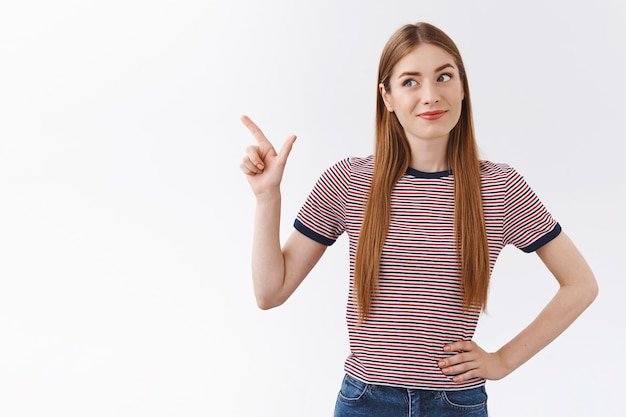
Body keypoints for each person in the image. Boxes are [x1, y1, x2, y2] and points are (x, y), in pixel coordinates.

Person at [239, 22, 598, 417]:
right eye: (410, 82)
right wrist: (267, 197)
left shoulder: (499, 187)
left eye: (444, 76)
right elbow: (270, 293)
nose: (431, 95)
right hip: (366, 402)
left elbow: (580, 284)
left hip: (456, 404)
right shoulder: (350, 181)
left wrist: (503, 361)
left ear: (462, 87)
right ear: (387, 97)